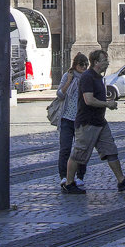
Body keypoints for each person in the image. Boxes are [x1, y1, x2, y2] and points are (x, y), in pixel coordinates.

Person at [62, 49, 125, 194]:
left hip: (100, 122)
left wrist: (107, 102)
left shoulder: (98, 77)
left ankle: (121, 180)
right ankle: (69, 183)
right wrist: (107, 104)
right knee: (78, 153)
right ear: (96, 62)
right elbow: (88, 100)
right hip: (87, 123)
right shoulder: (87, 77)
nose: (108, 62)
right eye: (105, 60)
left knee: (111, 150)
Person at [57, 52, 89, 190]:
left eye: (86, 64)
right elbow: (59, 94)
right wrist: (69, 81)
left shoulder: (88, 78)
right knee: (65, 149)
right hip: (67, 119)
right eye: (81, 64)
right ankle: (64, 176)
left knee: (81, 150)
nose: (84, 67)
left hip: (81, 119)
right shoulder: (67, 76)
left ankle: (80, 176)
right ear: (75, 65)